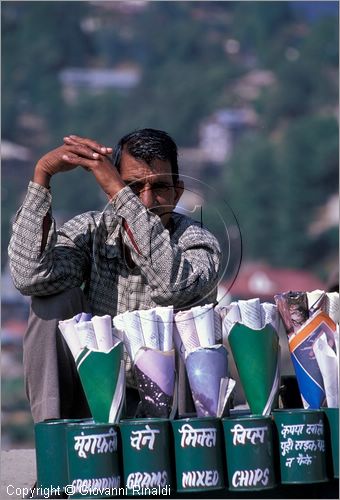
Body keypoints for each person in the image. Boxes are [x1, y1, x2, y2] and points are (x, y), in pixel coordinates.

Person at [8, 129, 222, 423]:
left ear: (177, 192)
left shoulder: (197, 243)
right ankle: (53, 433)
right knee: (51, 301)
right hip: (99, 397)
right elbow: (29, 277)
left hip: (177, 412)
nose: (147, 202)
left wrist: (122, 194)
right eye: (133, 188)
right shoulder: (93, 232)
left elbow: (173, 288)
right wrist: (42, 175)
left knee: (190, 313)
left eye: (159, 186)